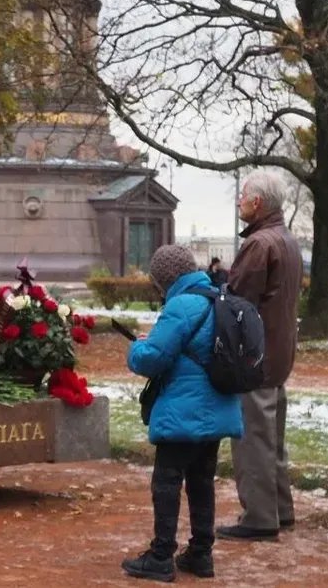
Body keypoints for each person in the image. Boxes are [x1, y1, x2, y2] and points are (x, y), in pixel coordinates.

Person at [121, 245, 244, 582]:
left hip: (184, 411)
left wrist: (136, 347)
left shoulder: (181, 305)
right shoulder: (217, 297)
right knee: (202, 481)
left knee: (167, 480)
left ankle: (161, 555)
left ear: (164, 278)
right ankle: (201, 554)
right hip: (217, 407)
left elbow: (151, 359)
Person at [218, 170, 303, 542]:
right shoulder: (286, 239)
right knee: (273, 439)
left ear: (257, 203)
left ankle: (259, 517)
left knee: (253, 440)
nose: (239, 201)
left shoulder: (259, 244)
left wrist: (220, 285)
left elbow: (238, 300)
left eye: (243, 196)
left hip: (256, 356)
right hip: (279, 352)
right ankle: (280, 510)